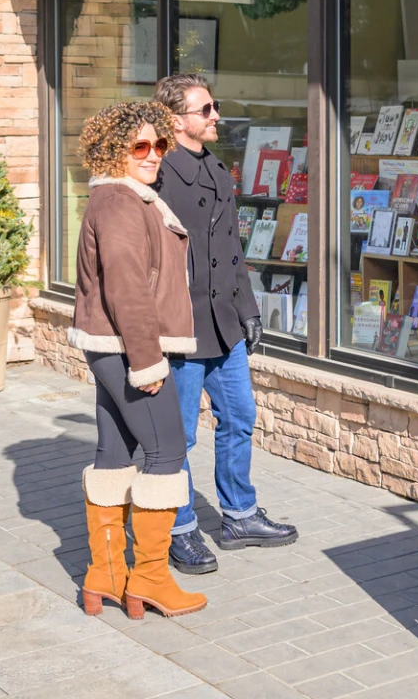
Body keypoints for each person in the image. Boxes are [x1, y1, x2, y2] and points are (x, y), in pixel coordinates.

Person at [154, 73, 298, 575]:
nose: (217, 115)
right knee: (180, 437)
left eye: (215, 107)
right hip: (182, 326)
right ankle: (179, 528)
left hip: (225, 323)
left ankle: (238, 516)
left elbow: (232, 250)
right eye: (206, 108)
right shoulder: (158, 174)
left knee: (239, 416)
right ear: (177, 120)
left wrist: (249, 308)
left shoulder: (217, 171)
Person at [67, 101, 206, 619]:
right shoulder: (122, 203)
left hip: (110, 346)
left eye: (159, 145)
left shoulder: (121, 198)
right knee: (167, 453)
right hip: (129, 349)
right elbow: (128, 287)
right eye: (140, 147)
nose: (153, 156)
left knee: (114, 456)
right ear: (114, 151)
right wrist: (148, 363)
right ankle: (149, 579)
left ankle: (104, 576)